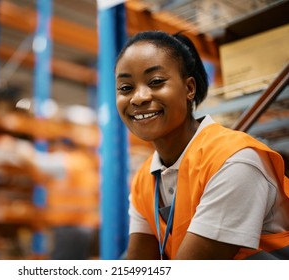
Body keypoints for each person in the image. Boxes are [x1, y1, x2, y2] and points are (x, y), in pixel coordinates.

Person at [115, 30, 289, 260]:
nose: (138, 98)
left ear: (189, 88)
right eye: (126, 88)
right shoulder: (144, 180)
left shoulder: (234, 161)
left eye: (156, 82)